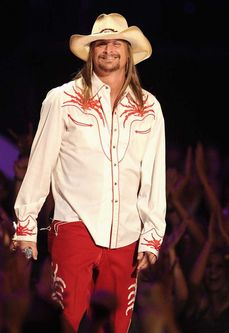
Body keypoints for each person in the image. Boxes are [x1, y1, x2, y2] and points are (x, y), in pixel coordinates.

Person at [11, 12, 166, 333]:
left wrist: (152, 236)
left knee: (115, 326)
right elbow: (40, 163)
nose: (108, 50)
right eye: (101, 44)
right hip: (73, 226)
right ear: (91, 51)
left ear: (128, 52)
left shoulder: (149, 107)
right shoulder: (62, 99)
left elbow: (153, 173)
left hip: (126, 234)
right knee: (66, 321)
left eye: (116, 44)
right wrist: (26, 227)